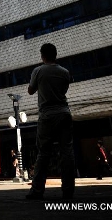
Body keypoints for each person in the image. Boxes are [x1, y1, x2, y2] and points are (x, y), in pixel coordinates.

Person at [26, 43, 75, 200]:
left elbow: (30, 90)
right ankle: (68, 191)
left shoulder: (38, 71)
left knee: (44, 153)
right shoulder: (65, 72)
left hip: (47, 115)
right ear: (55, 54)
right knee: (67, 152)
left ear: (42, 55)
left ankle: (37, 191)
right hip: (64, 112)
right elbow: (64, 90)